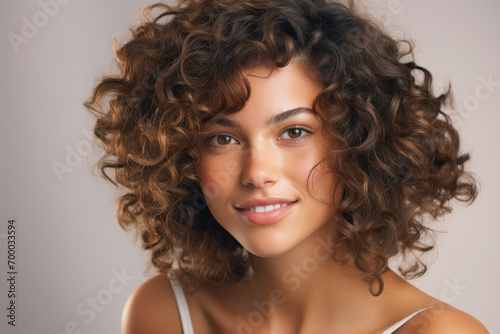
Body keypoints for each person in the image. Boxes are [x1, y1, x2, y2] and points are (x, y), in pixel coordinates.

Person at [85, 0, 491, 333]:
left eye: (294, 132)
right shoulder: (163, 314)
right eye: (222, 138)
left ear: (360, 139)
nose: (257, 172)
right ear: (182, 156)